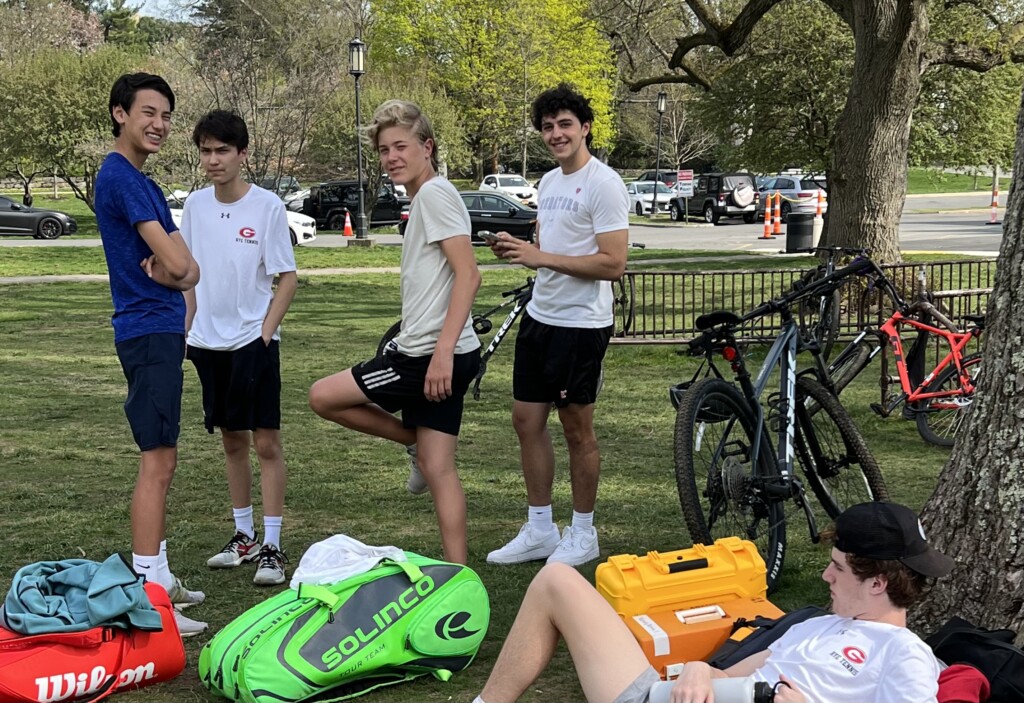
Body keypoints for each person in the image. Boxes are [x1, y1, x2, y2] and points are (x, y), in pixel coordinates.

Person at [473, 501, 955, 703]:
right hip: (675, 696)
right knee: (556, 579)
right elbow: (727, 676)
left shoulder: (905, 653)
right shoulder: (815, 626)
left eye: (839, 568)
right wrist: (701, 671)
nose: (826, 576)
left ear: (878, 584)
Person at [308, 100, 481, 565]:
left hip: (426, 357)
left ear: (427, 147)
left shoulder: (434, 195)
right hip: (448, 352)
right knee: (440, 468)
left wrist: (441, 353)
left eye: (401, 146)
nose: (391, 157)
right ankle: (459, 575)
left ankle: (410, 439)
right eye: (384, 150)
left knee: (323, 397)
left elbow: (469, 274)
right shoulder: (428, 196)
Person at [486, 84, 628, 567]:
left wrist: (540, 256)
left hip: (581, 325)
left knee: (575, 429)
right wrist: (518, 247)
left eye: (565, 124)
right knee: (526, 421)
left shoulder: (604, 183)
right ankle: (542, 528)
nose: (556, 134)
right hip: (541, 316)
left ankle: (583, 533)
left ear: (585, 127)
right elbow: (550, 250)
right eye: (547, 127)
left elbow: (613, 264)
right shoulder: (548, 183)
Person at [94, 73, 205, 636]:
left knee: (165, 457)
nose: (159, 124)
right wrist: (175, 272)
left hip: (157, 328)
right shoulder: (122, 178)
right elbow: (181, 267)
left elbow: (191, 268)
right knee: (157, 461)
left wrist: (178, 271)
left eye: (166, 115)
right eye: (148, 112)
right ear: (120, 113)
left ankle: (158, 574)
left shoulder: (142, 181)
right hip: (146, 328)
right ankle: (147, 595)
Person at [180, 110, 297, 587]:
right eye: (206, 151)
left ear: (242, 153)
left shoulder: (268, 206)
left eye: (222, 150)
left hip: (253, 341)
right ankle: (243, 536)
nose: (213, 160)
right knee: (232, 441)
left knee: (266, 442)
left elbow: (286, 277)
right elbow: (186, 276)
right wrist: (185, 333)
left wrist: (264, 333)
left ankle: (272, 545)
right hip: (206, 343)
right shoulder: (194, 207)